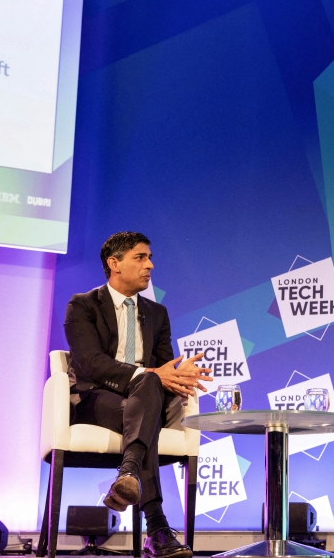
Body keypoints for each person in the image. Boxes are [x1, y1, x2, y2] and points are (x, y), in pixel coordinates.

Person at [64, 232, 212, 558]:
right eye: (141, 257)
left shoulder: (157, 313)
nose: (151, 265)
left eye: (149, 258)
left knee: (147, 388)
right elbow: (89, 362)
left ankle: (128, 474)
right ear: (114, 263)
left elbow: (162, 370)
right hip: (95, 399)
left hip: (145, 401)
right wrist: (151, 375)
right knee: (146, 388)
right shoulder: (83, 305)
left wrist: (177, 375)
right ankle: (157, 529)